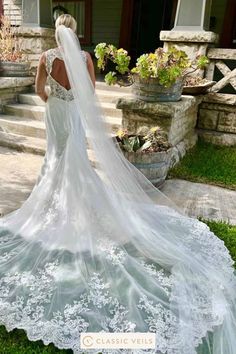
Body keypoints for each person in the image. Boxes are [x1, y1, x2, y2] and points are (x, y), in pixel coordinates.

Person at [0, 14, 236, 354]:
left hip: (56, 114)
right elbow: (90, 92)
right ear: (76, 33)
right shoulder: (84, 58)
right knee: (74, 160)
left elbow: (40, 91)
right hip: (75, 114)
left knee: (55, 159)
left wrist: (53, 99)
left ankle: (54, 200)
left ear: (56, 34)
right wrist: (72, 100)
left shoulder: (46, 58)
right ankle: (76, 200)